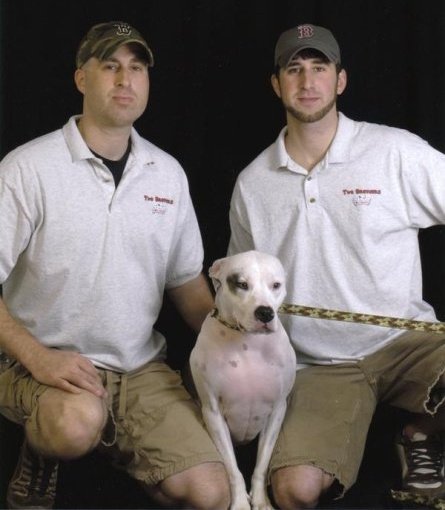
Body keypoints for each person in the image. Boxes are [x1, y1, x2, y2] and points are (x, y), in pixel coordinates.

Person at [0, 21, 230, 509]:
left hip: (137, 369)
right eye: (110, 66)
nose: (125, 80)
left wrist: (242, 331)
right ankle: (46, 451)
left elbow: (187, 287)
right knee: (74, 424)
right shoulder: (27, 169)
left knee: (210, 495)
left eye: (137, 67)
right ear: (82, 79)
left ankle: (121, 447)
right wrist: (38, 358)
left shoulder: (167, 174)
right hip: (42, 361)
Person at [228, 23, 445, 509]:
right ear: (277, 84)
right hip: (318, 366)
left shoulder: (395, 151)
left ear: (340, 80)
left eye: (319, 68)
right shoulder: (252, 183)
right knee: (292, 492)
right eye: (295, 69)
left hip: (409, 341)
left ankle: (420, 432)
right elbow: (240, 291)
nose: (308, 82)